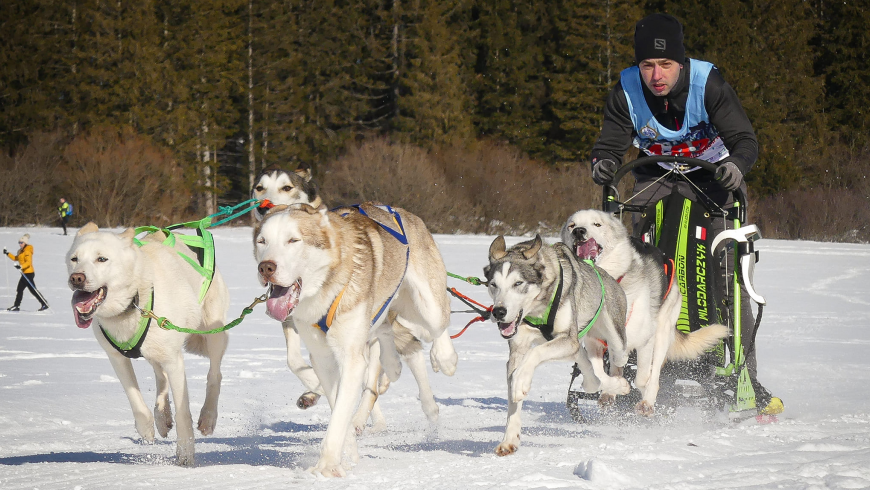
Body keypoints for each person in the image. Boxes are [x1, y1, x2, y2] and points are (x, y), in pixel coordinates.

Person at [588, 13, 782, 416]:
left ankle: (743, 374)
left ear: (681, 62)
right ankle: (628, 371)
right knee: (636, 272)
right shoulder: (626, 89)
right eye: (647, 66)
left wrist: (738, 166)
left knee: (725, 270)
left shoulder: (707, 83)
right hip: (653, 176)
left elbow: (745, 140)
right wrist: (603, 163)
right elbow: (609, 145)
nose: (656, 75)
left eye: (665, 65)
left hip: (714, 176)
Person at [4, 234, 49, 312]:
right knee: (32, 290)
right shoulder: (21, 251)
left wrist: (21, 267)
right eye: (19, 242)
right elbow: (15, 258)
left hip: (29, 273)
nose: (20, 244)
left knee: (20, 289)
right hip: (25, 273)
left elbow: (28, 263)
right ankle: (44, 303)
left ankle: (16, 305)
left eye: (21, 242)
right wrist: (7, 253)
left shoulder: (27, 251)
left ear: (25, 243)